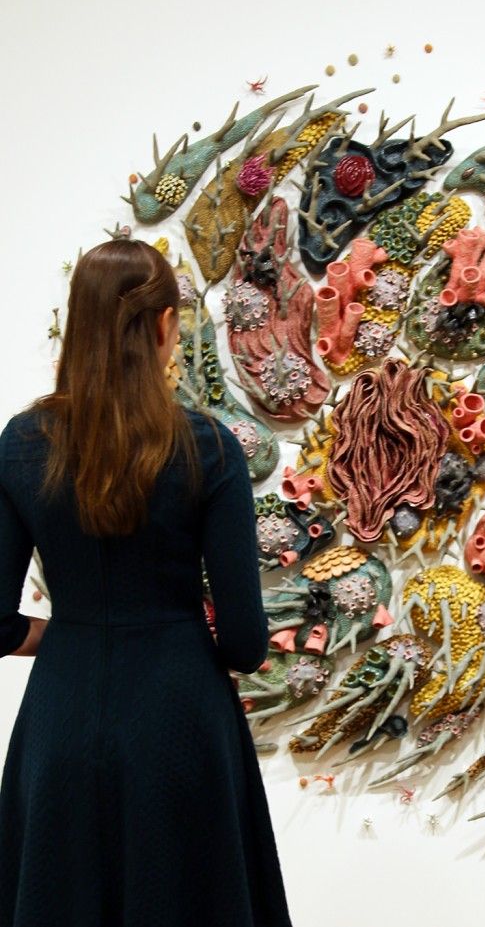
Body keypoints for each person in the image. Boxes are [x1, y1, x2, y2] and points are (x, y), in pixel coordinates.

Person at [0, 240, 294, 926]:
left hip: (60, 723)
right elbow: (247, 643)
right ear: (163, 326)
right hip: (181, 726)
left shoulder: (21, 442)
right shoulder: (209, 446)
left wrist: (62, 633)